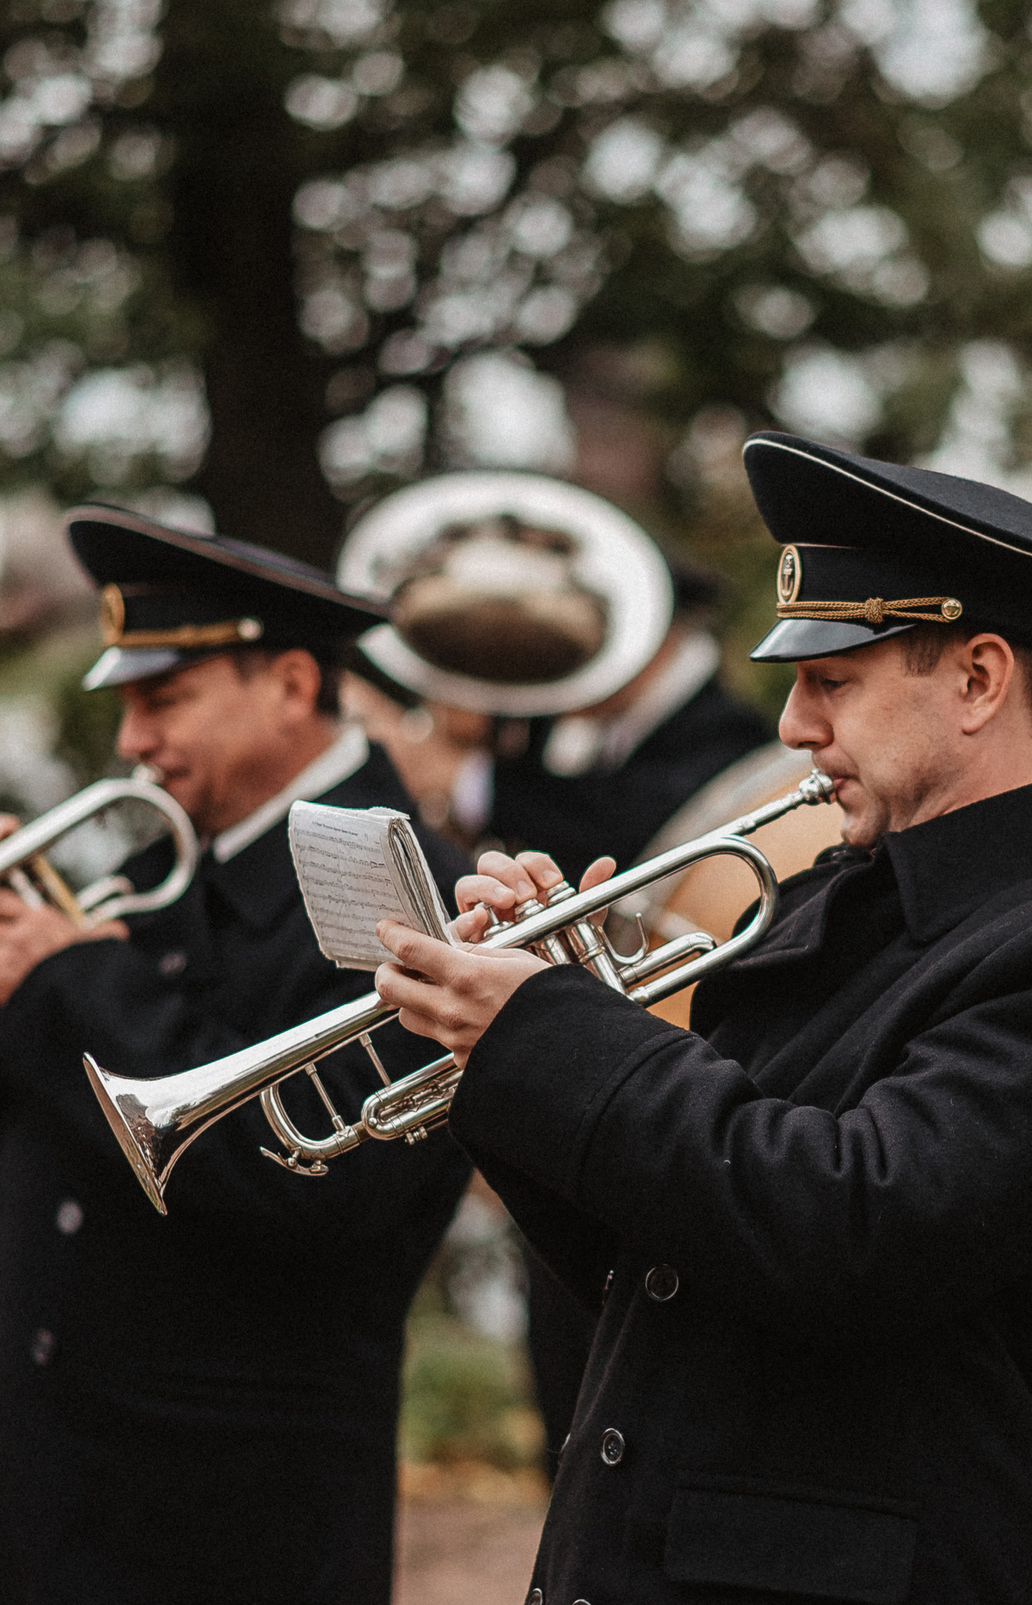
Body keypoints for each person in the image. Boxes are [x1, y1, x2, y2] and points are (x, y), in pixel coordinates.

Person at [368, 429, 1032, 1605]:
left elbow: (852, 1222)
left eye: (837, 679)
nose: (790, 721)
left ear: (978, 677)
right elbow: (659, 1261)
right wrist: (514, 1051)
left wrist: (561, 1036)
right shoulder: (843, 894)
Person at [0, 507, 473, 1605]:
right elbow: (29, 1139)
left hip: (227, 1529)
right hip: (102, 1500)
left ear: (292, 682)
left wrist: (60, 977)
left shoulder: (376, 873)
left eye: (165, 699)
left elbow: (317, 1177)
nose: (131, 739)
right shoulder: (180, 857)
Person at [333, 474, 779, 1474]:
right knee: (571, 1407)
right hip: (583, 1118)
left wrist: (472, 780)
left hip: (667, 1093)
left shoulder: (727, 735)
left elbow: (648, 828)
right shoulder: (562, 736)